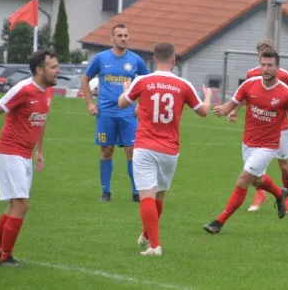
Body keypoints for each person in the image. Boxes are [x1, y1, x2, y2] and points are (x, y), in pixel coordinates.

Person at [118, 43, 213, 256]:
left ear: (153, 59)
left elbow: (122, 104)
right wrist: (208, 96)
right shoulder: (183, 85)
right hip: (170, 150)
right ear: (174, 60)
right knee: (158, 197)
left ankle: (155, 246)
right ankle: (145, 235)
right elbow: (204, 112)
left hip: (145, 146)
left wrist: (126, 91)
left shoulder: (142, 81)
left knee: (147, 197)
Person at [0, 50, 60, 267]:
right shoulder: (23, 89)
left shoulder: (47, 91)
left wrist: (40, 151)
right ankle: (6, 257)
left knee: (13, 205)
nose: (58, 71)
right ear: (39, 70)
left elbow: (41, 119)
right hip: (10, 152)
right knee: (22, 204)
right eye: (53, 67)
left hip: (25, 155)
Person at [204, 48, 288, 234]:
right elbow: (232, 104)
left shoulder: (286, 94)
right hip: (248, 142)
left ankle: (219, 222)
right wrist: (224, 110)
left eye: (270, 65)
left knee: (243, 180)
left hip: (268, 146)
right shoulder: (249, 84)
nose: (265, 69)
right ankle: (279, 193)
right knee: (256, 180)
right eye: (263, 64)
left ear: (277, 68)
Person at [227, 40, 288, 213]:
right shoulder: (252, 74)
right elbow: (245, 95)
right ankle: (260, 194)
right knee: (254, 168)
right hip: (258, 128)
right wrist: (235, 110)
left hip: (280, 129)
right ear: (258, 56)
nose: (265, 65)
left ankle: (287, 196)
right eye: (261, 55)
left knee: (283, 165)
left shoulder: (283, 75)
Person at [81, 23, 149, 202]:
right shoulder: (101, 59)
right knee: (106, 150)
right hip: (106, 113)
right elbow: (85, 79)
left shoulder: (136, 60)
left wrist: (140, 105)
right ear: (112, 38)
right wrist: (90, 103)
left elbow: (146, 84)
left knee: (132, 151)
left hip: (128, 114)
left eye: (126, 35)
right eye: (119, 35)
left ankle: (136, 193)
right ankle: (106, 192)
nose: (123, 38)